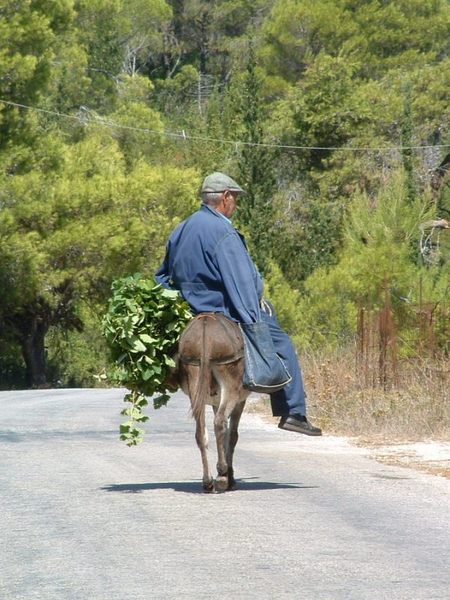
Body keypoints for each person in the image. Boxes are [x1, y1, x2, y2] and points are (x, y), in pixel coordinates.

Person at [155, 171, 322, 436]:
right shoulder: (223, 231)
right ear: (225, 197)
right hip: (225, 309)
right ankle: (293, 412)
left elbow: (162, 276)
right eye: (235, 199)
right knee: (283, 343)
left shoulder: (180, 229)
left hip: (188, 310)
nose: (236, 205)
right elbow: (242, 280)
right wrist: (254, 309)